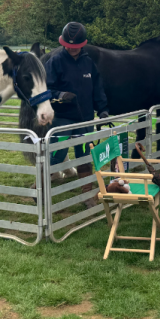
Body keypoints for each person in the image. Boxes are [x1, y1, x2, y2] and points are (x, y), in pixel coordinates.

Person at [46, 22, 109, 206]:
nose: (72, 49)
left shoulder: (88, 63)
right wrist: (60, 95)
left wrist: (103, 109)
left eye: (76, 46)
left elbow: (97, 88)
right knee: (57, 154)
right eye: (68, 46)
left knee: (84, 156)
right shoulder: (55, 62)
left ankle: (86, 194)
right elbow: (45, 89)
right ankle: (39, 187)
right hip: (63, 119)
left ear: (83, 44)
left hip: (85, 119)